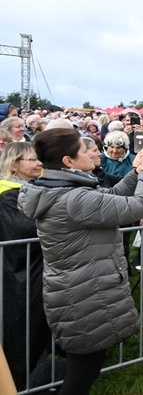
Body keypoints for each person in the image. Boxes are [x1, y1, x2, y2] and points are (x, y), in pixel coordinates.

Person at [17, 129, 143, 395]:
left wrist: (137, 170)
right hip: (84, 293)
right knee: (84, 370)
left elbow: (112, 196)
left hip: (79, 288)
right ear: (68, 162)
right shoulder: (73, 197)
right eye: (84, 151)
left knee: (86, 365)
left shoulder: (61, 189)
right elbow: (139, 206)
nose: (91, 153)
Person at [0, 142, 49, 390]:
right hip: (17, 276)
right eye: (32, 159)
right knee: (21, 331)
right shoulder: (6, 194)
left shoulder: (30, 189)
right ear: (14, 165)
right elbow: (21, 230)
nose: (39, 163)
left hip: (34, 272)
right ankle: (18, 384)